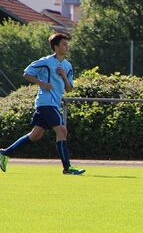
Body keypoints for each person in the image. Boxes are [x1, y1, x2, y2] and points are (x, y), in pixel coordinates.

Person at [0, 33, 85, 175]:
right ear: (56, 47)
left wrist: (64, 76)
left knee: (36, 135)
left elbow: (69, 89)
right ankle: (67, 168)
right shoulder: (46, 61)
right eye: (64, 44)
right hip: (46, 102)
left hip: (54, 104)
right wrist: (42, 83)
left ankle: (4, 153)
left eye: (67, 44)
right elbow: (26, 73)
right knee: (62, 131)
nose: (67, 46)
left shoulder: (68, 65)